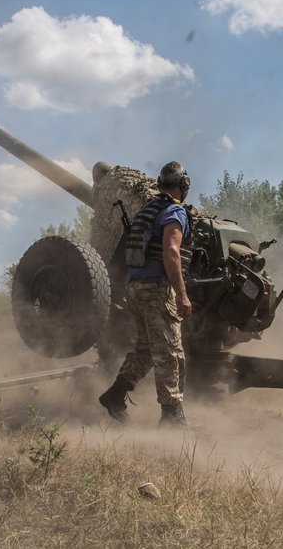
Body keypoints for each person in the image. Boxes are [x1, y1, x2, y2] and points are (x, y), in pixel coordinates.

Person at [99, 161, 194, 427]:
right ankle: (171, 417)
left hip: (134, 287)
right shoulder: (174, 211)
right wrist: (182, 294)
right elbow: (172, 252)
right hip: (155, 288)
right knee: (170, 352)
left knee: (148, 349)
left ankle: (115, 395)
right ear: (184, 186)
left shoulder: (146, 211)